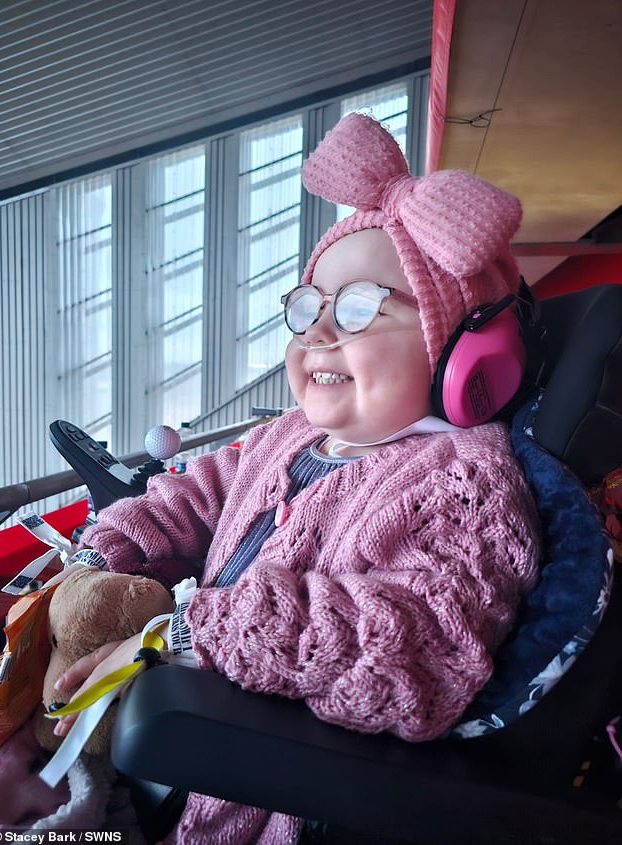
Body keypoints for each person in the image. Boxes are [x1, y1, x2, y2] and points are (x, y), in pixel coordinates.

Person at [52, 114, 541, 845]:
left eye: (357, 308)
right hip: (151, 751)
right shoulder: (294, 432)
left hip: (236, 804)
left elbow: (418, 652)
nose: (316, 332)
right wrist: (108, 550)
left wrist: (187, 632)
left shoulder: (466, 482)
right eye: (309, 304)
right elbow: (203, 489)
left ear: (467, 349)